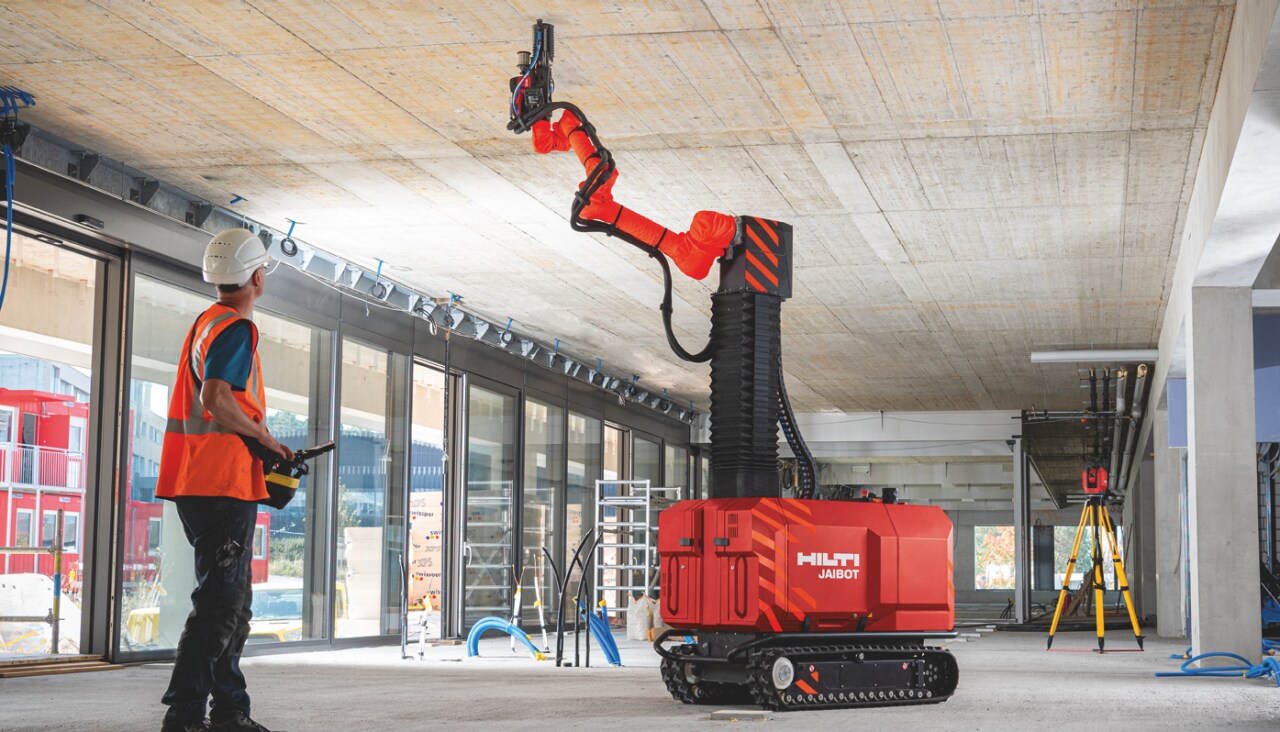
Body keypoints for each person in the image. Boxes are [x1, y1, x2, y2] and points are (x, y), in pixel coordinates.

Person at [156, 229, 293, 732]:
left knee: (234, 602)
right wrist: (264, 438)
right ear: (257, 277)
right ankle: (185, 715)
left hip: (201, 480)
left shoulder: (206, 322)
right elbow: (216, 399)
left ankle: (231, 711)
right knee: (219, 604)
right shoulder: (236, 328)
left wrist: (262, 444)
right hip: (219, 484)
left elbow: (217, 404)